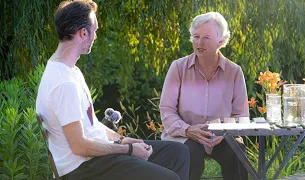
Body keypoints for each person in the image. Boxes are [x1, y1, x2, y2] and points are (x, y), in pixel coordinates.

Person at [36, 1, 189, 179]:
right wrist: (129, 150)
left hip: (96, 158)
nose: (95, 36)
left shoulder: (72, 71)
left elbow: (91, 125)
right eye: (95, 31)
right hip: (84, 169)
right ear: (83, 33)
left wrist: (122, 139)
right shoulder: (63, 83)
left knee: (178, 152)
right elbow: (79, 146)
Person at [160, 12, 249, 180]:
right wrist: (187, 129)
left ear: (221, 42)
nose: (199, 43)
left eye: (206, 38)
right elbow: (167, 109)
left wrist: (223, 133)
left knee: (237, 152)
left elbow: (241, 115)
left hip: (222, 136)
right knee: (189, 155)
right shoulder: (178, 68)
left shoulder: (234, 71)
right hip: (184, 134)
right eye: (196, 36)